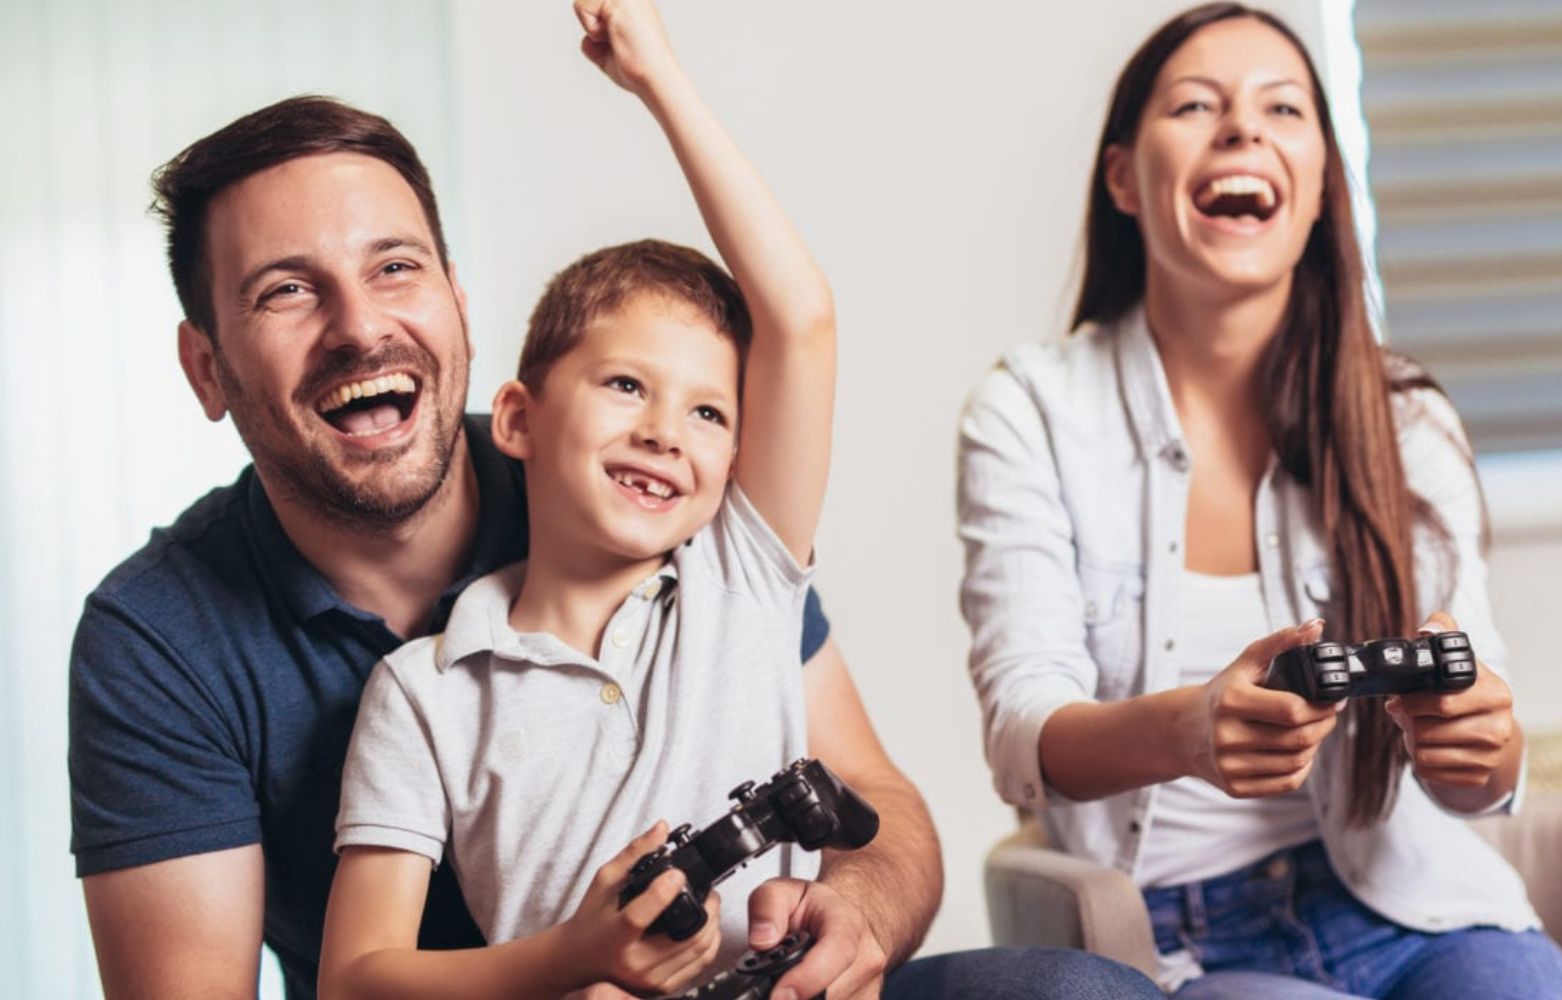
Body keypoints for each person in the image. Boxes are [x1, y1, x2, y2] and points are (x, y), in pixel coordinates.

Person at [70, 2, 1160, 997]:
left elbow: (800, 323)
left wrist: (853, 914)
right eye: (287, 289)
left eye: (395, 266)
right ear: (206, 368)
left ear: (459, 299)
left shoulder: (708, 554)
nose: (360, 325)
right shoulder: (350, 677)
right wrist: (571, 963)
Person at [955, 5, 1562, 999]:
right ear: (1125, 178)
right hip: (1182, 938)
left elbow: (1479, 774)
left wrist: (1478, 742)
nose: (1241, 129)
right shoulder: (1028, 409)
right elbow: (1022, 730)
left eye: (1280, 109)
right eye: (1194, 105)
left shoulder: (1408, 419)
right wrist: (1186, 729)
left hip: (1414, 905)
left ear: (1316, 193)